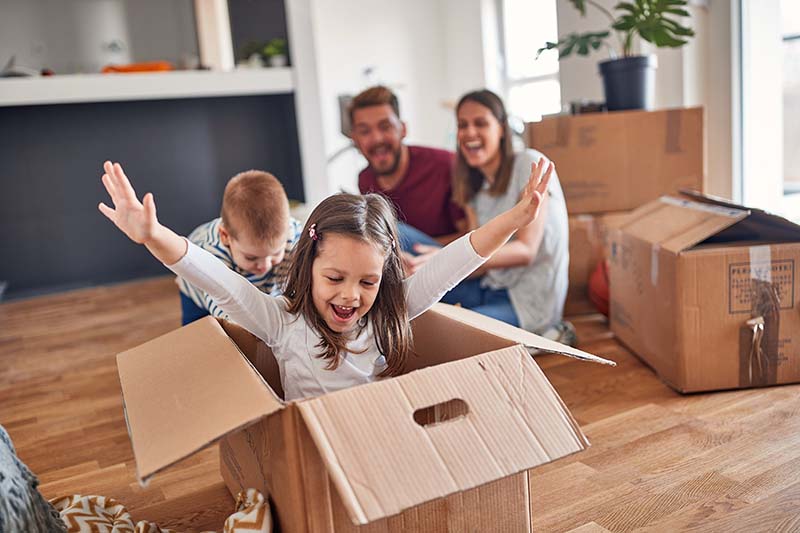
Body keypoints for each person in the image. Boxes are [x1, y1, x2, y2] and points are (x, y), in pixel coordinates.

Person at [97, 157, 553, 400]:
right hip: (313, 448)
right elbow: (214, 276)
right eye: (335, 277)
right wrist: (153, 235)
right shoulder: (280, 321)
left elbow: (457, 260)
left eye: (368, 282)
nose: (351, 296)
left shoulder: (389, 314)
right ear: (307, 262)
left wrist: (515, 218)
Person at [411, 89, 573, 344]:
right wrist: (427, 271)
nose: (469, 133)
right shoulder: (475, 188)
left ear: (501, 129)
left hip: (525, 302)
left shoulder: (528, 163)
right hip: (487, 287)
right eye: (463, 125)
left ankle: (549, 334)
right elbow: (475, 260)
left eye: (480, 123)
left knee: (442, 336)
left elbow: (525, 250)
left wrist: (440, 259)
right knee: (398, 235)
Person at [177, 170, 302, 325]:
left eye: (276, 253)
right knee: (198, 333)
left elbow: (292, 288)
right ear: (225, 236)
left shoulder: (292, 236)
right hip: (198, 292)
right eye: (251, 257)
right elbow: (223, 309)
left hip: (260, 287)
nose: (265, 265)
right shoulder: (212, 253)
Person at [350, 85, 466, 250]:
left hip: (455, 265)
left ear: (403, 129)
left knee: (392, 232)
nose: (376, 138)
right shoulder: (365, 179)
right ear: (355, 139)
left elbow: (471, 237)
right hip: (405, 269)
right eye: (365, 131)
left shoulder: (446, 164)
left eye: (385, 127)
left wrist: (417, 251)